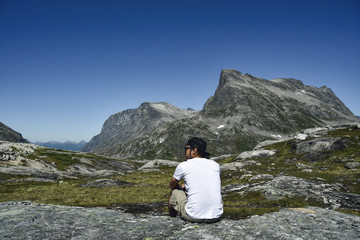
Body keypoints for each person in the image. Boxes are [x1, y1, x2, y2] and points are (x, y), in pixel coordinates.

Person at [168, 137, 223, 223]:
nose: (185, 151)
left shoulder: (183, 165)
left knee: (174, 190)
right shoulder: (215, 164)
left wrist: (180, 187)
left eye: (186, 149)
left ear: (194, 150)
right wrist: (188, 187)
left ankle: (172, 219)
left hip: (193, 216)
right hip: (216, 216)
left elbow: (171, 184)